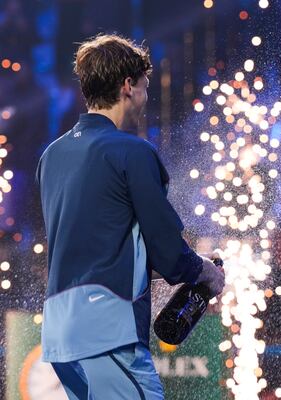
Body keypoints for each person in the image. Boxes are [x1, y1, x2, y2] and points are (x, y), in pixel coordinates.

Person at [36, 34, 225, 399]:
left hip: (60, 332)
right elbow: (167, 253)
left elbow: (104, 249)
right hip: (108, 328)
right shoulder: (133, 152)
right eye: (145, 86)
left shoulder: (51, 155)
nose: (146, 95)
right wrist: (206, 272)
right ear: (128, 86)